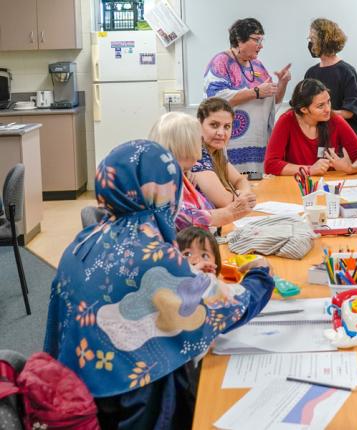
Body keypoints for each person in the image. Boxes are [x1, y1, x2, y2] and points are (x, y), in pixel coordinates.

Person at [43, 140, 275, 428]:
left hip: (72, 392)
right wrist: (260, 277)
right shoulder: (150, 252)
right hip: (132, 401)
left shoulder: (83, 241)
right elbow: (223, 308)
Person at [203, 18, 292, 174]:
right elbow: (215, 99)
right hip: (229, 145)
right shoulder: (221, 62)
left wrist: (282, 83)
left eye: (262, 40)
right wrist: (256, 92)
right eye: (256, 39)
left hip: (258, 147)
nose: (261, 45)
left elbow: (274, 99)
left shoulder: (257, 65)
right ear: (239, 40)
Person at [148, 112, 252, 230]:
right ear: (186, 146)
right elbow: (182, 217)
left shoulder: (178, 174)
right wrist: (230, 212)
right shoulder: (160, 182)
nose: (198, 155)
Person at [264, 79, 357, 176]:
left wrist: (351, 168)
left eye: (328, 101)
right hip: (298, 187)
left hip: (328, 187)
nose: (328, 109)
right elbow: (271, 164)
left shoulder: (335, 120)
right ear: (304, 109)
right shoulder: (286, 121)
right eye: (320, 106)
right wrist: (310, 170)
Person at [304, 18, 357, 149]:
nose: (310, 42)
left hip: (347, 139)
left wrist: (320, 113)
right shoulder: (311, 73)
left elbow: (350, 112)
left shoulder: (346, 71)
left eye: (312, 38)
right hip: (324, 139)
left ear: (323, 40)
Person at [190, 97, 257, 209]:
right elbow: (225, 201)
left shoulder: (217, 151)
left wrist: (243, 193)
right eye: (214, 125)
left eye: (227, 126)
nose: (221, 133)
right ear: (199, 124)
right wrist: (241, 198)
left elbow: (239, 179)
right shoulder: (196, 154)